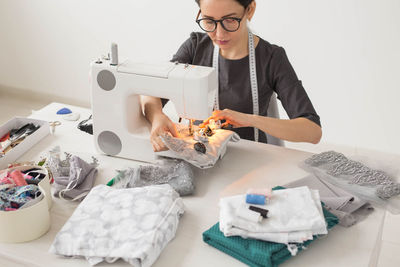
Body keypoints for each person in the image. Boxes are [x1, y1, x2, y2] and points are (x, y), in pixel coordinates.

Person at [142, 0, 322, 152]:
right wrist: (157, 116)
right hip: (201, 153)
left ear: (249, 10)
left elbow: (312, 131)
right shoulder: (194, 47)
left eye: (229, 20)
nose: (219, 34)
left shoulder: (272, 58)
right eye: (209, 21)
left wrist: (250, 120)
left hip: (252, 158)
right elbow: (151, 93)